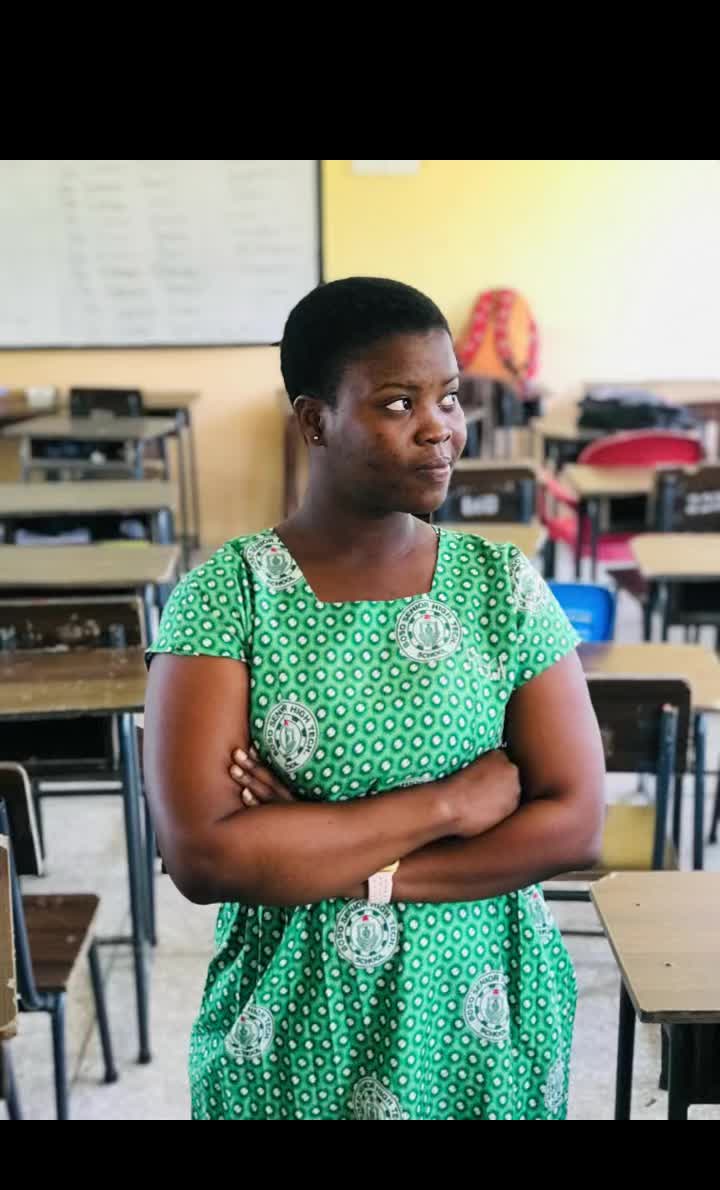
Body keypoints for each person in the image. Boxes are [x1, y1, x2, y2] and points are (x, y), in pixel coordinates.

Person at [144, 277, 605, 1121]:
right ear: (315, 420)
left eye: (449, 398)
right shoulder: (228, 597)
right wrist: (451, 804)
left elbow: (574, 821)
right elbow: (205, 856)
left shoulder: (501, 587)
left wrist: (339, 858)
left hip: (480, 1014)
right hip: (293, 1021)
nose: (439, 428)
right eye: (398, 403)